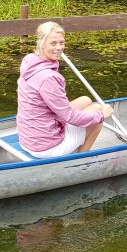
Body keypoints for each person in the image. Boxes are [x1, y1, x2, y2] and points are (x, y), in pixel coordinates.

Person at [17, 21, 114, 157]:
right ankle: (78, 160)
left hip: (28, 138)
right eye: (53, 43)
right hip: (45, 147)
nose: (59, 48)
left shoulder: (30, 61)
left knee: (85, 100)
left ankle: (76, 142)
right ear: (41, 43)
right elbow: (70, 116)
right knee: (97, 114)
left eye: (61, 43)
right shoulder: (49, 78)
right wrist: (101, 115)